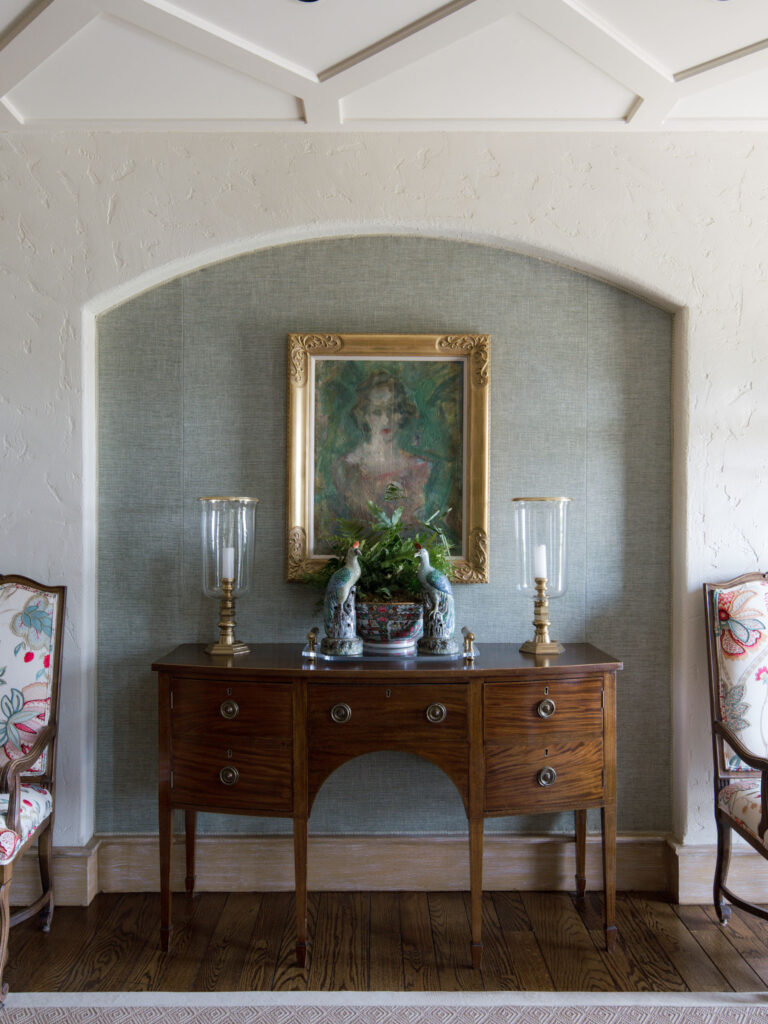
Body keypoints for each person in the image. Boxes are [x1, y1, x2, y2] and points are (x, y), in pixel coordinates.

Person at [332, 370, 431, 527]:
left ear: (403, 413)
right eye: (377, 411)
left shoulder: (418, 468)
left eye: (394, 410)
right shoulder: (346, 467)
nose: (386, 419)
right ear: (364, 415)